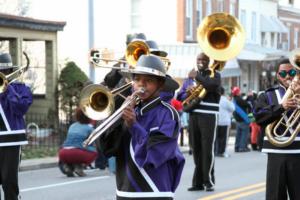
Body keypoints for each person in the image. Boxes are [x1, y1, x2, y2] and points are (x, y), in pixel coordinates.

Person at [99, 55, 185, 200]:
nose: (141, 85)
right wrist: (117, 116)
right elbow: (106, 149)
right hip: (124, 192)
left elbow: (155, 154)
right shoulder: (128, 111)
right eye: (137, 79)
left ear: (161, 84)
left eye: (148, 81)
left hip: (155, 192)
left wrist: (134, 125)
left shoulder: (168, 114)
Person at [253, 58, 300, 200]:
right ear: (278, 76)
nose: (288, 76)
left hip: (298, 151)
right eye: (283, 73)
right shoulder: (267, 95)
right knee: (275, 195)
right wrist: (281, 107)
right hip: (275, 152)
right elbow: (259, 117)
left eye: (292, 72)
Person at [181, 53, 221, 192]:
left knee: (207, 150)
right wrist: (187, 91)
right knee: (196, 149)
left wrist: (196, 77)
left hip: (209, 115)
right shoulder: (190, 77)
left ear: (208, 61)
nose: (201, 62)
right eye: (199, 59)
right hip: (194, 114)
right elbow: (180, 96)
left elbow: (212, 86)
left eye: (204, 60)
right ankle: (198, 182)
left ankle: (208, 181)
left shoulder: (214, 74)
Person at [0, 53, 33, 200]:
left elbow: (20, 108)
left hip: (11, 141)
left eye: (4, 72)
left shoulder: (20, 88)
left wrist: (8, 89)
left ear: (10, 71)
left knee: (9, 182)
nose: (3, 75)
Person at [58, 108, 98, 177]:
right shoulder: (89, 128)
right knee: (94, 152)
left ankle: (68, 166)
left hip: (63, 153)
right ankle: (79, 167)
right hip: (77, 153)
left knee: (75, 151)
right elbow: (92, 143)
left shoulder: (72, 126)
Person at [215, 87, 235, 157]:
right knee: (223, 138)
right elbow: (233, 108)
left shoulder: (215, 99)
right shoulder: (225, 100)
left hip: (216, 121)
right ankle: (222, 152)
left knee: (216, 137)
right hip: (225, 121)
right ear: (223, 92)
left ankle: (216, 151)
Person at [231, 86, 251, 152]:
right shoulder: (239, 99)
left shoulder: (233, 100)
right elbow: (247, 105)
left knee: (238, 134)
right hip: (243, 119)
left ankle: (237, 147)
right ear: (237, 93)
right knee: (244, 134)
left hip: (237, 119)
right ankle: (242, 147)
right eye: (239, 91)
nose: (240, 92)